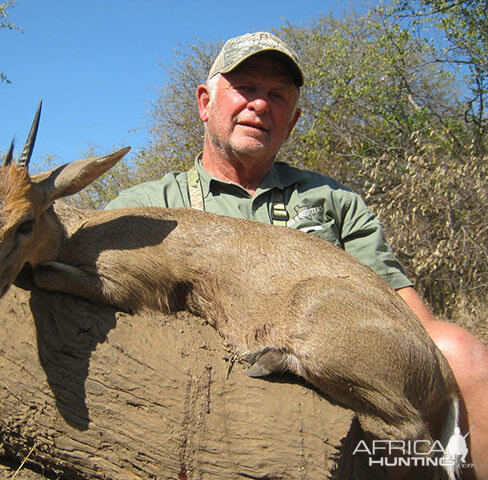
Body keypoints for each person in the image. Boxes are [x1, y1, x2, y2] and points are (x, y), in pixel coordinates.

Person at [105, 32, 488, 477]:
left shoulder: (334, 200)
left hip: (336, 381)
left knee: (460, 351)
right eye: (245, 88)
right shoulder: (149, 205)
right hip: (205, 392)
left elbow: (408, 315)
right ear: (205, 103)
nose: (259, 104)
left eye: (277, 95)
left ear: (293, 120)